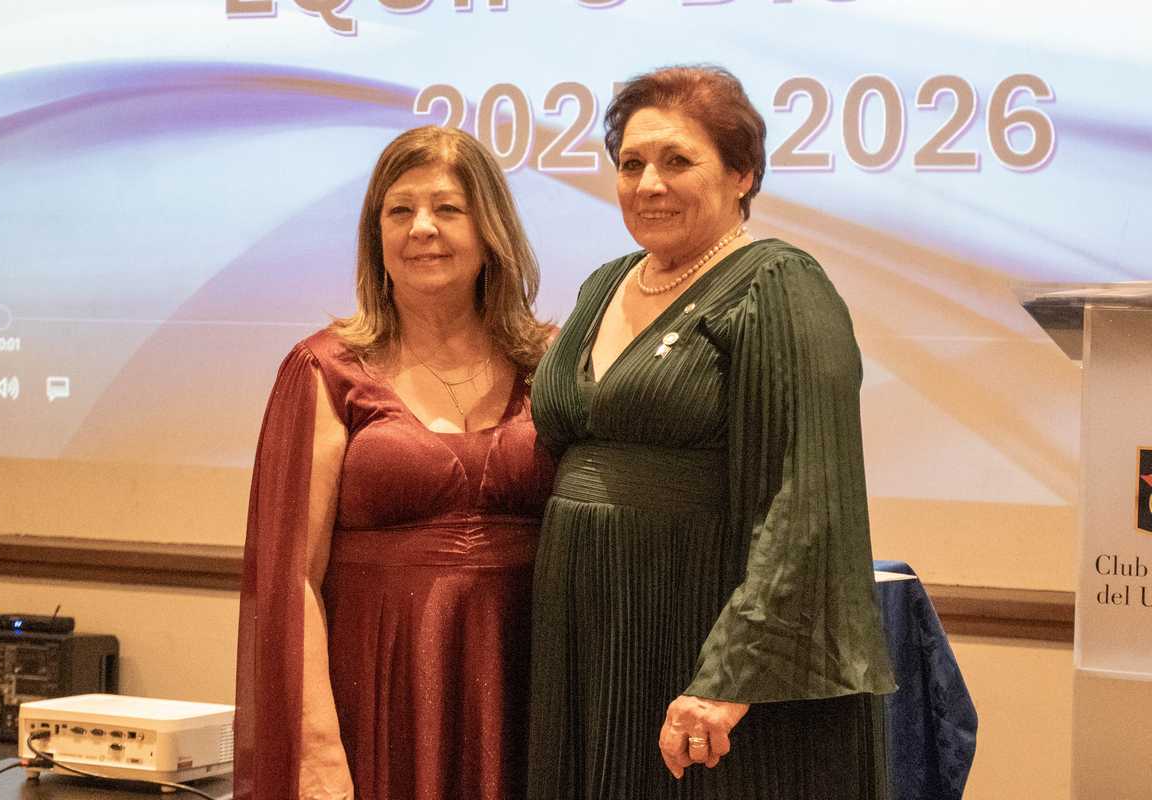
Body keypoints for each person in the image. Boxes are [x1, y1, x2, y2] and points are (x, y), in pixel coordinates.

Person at [528, 65, 896, 799]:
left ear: (742, 174)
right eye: (631, 163)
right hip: (589, 633)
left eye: (677, 160)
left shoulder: (777, 284)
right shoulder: (604, 283)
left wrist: (729, 677)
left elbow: (807, 499)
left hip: (703, 642)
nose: (649, 184)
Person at [234, 125, 557, 800]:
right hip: (378, 700)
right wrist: (316, 750)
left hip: (528, 692)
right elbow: (291, 580)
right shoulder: (324, 369)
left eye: (447, 208)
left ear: (490, 228)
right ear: (375, 235)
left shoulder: (553, 363)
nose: (422, 228)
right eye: (399, 210)